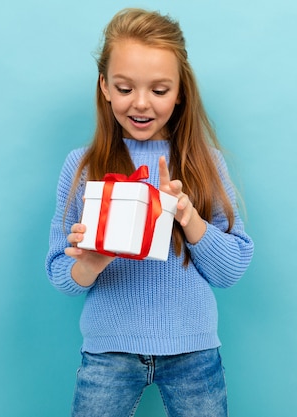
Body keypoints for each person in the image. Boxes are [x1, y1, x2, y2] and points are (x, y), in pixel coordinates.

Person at [45, 8, 254, 417]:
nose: (141, 103)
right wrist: (88, 265)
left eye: (159, 90)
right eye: (125, 88)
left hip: (194, 352)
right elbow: (58, 274)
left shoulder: (205, 163)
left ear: (180, 93)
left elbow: (231, 270)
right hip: (109, 351)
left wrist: (187, 216)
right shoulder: (82, 166)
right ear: (104, 86)